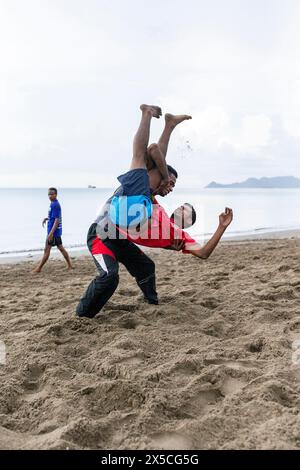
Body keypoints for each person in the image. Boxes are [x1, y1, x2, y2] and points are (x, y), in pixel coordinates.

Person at [76, 104, 233, 318]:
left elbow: (203, 253)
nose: (181, 209)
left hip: (120, 236)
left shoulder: (176, 235)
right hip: (101, 233)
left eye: (185, 214)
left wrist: (221, 227)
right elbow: (153, 150)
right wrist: (165, 175)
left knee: (146, 266)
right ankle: (82, 316)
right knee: (109, 277)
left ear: (186, 223)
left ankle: (152, 302)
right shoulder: (155, 203)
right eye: (182, 207)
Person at [33, 187, 73, 273]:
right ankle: (70, 265)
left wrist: (51, 234)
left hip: (53, 232)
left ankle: (39, 268)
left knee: (47, 250)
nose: (50, 196)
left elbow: (57, 220)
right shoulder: (53, 203)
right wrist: (47, 218)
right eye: (49, 194)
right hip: (55, 231)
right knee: (61, 248)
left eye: (52, 194)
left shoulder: (55, 205)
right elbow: (54, 217)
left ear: (56, 194)